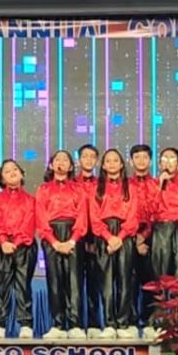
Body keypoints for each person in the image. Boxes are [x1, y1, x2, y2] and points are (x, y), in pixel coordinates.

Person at [89, 149, 140, 339]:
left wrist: (121, 236)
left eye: (115, 160)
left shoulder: (130, 188)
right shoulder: (96, 189)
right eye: (108, 161)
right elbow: (94, 217)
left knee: (125, 280)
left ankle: (123, 323)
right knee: (106, 281)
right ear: (103, 165)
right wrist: (108, 237)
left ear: (121, 164)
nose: (111, 164)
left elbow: (133, 215)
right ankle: (109, 323)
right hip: (104, 235)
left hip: (125, 234)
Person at [37, 150, 87, 340]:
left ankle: (75, 324)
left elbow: (82, 216)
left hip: (73, 232)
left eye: (65, 160)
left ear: (71, 166)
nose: (61, 162)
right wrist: (54, 242)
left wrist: (73, 240)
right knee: (55, 281)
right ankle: (58, 324)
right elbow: (41, 218)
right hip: (52, 235)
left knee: (74, 281)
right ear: (51, 165)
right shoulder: (43, 189)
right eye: (57, 159)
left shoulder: (78, 189)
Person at [0, 160, 37, 339]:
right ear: (2, 178)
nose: (12, 172)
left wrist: (16, 242)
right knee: (2, 286)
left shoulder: (31, 200)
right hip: (1, 245)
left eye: (15, 169)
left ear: (22, 174)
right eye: (7, 171)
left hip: (24, 245)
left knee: (23, 285)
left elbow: (29, 222)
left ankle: (26, 324)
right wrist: (3, 241)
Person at [149, 147, 178, 286]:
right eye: (164, 159)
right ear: (159, 164)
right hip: (160, 231)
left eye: (172, 159)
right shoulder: (152, 185)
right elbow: (150, 210)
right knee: (161, 271)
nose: (168, 163)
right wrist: (160, 185)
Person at [76, 144, 103, 336]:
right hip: (74, 237)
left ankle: (94, 323)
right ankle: (74, 324)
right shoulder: (71, 184)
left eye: (92, 156)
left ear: (97, 161)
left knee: (95, 282)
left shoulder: (101, 185)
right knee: (74, 283)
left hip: (96, 237)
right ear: (78, 160)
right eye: (84, 156)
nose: (88, 159)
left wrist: (95, 237)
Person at [128, 144, 156, 328]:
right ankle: (130, 321)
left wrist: (144, 237)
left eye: (145, 157)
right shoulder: (125, 185)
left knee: (151, 281)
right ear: (131, 161)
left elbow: (157, 212)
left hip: (152, 237)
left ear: (150, 161)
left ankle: (149, 320)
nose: (141, 161)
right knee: (129, 280)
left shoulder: (156, 185)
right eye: (137, 157)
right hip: (129, 236)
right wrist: (136, 238)